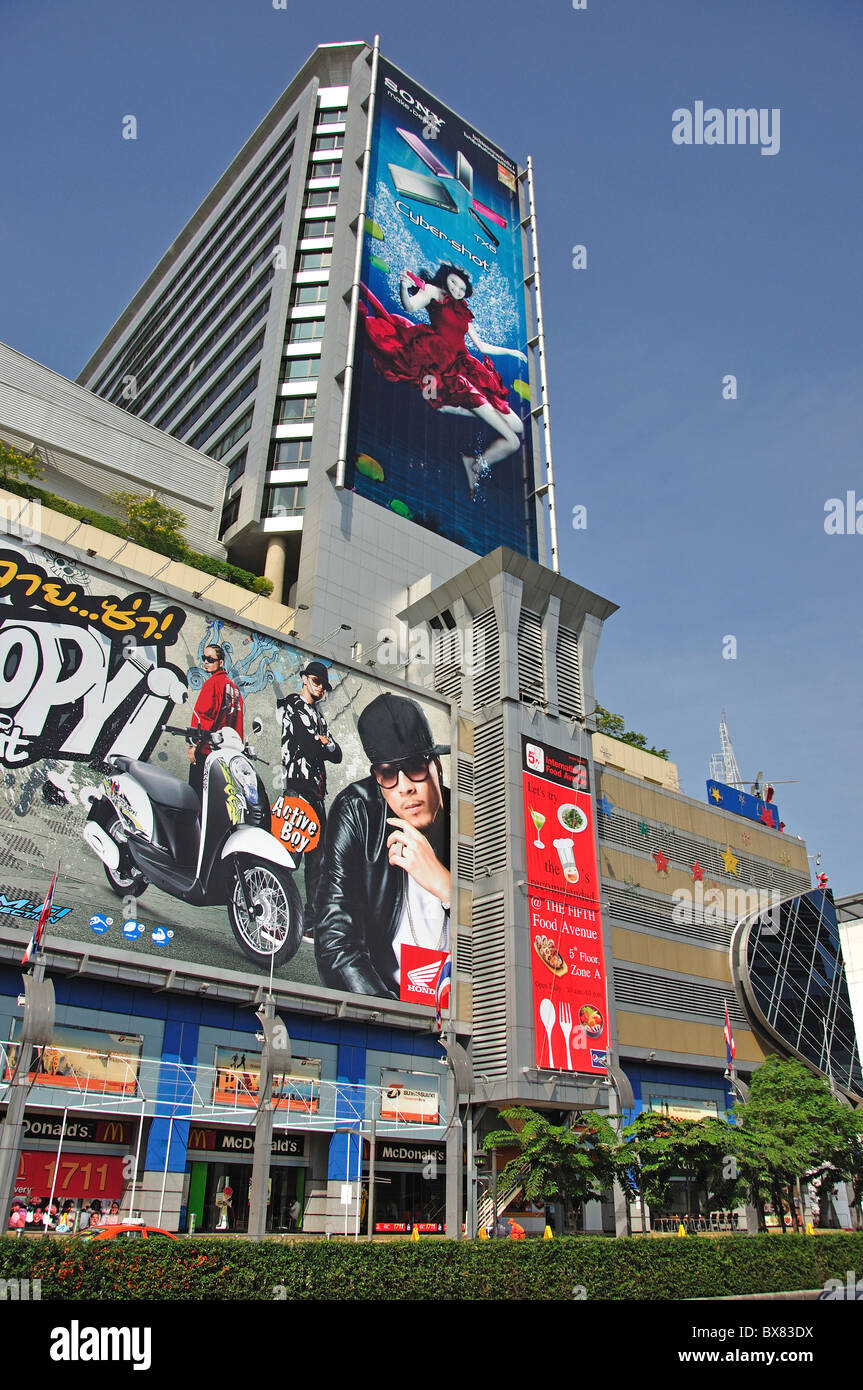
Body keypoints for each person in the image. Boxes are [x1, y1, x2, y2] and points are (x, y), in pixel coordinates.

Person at [315, 692, 450, 999]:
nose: (405, 787)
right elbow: (335, 938)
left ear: (436, 766)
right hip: (389, 1000)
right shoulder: (358, 812)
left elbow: (505, 943)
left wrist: (446, 886)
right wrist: (387, 1012)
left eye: (415, 766)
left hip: (465, 1011)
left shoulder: (466, 821)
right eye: (388, 773)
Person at [358, 263, 528, 497]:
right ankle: (475, 464)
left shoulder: (463, 310)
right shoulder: (432, 291)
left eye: (462, 287)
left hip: (467, 366)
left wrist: (510, 352)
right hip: (448, 371)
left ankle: (467, 443)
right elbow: (410, 307)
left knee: (518, 426)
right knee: (513, 441)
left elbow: (481, 345)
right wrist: (403, 287)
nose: (458, 289)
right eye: (454, 282)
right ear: (446, 278)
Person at [276, 661, 342, 923]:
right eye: (316, 682)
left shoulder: (319, 717)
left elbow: (336, 755)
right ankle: (275, 905)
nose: (320, 689)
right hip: (298, 789)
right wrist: (322, 743)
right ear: (304, 679)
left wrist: (325, 742)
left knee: (318, 859)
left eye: (324, 686)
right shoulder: (291, 706)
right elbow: (311, 747)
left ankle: (312, 918)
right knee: (288, 854)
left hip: (316, 793)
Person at [187, 643, 244, 801]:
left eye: (210, 659)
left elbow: (203, 717)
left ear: (221, 661)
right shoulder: (235, 690)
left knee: (196, 799)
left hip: (205, 753)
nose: (205, 662)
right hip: (224, 758)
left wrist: (194, 745)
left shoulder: (212, 684)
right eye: (204, 658)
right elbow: (238, 726)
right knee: (216, 802)